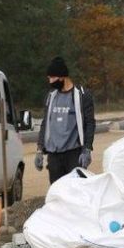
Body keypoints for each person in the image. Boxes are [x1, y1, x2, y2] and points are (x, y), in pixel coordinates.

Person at [34, 56, 95, 185]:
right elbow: (45, 123)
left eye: (52, 78)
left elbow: (90, 123)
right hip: (54, 156)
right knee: (57, 194)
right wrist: (40, 150)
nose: (50, 81)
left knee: (76, 193)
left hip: (74, 155)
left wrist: (87, 149)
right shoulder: (51, 97)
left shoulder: (81, 95)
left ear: (62, 77)